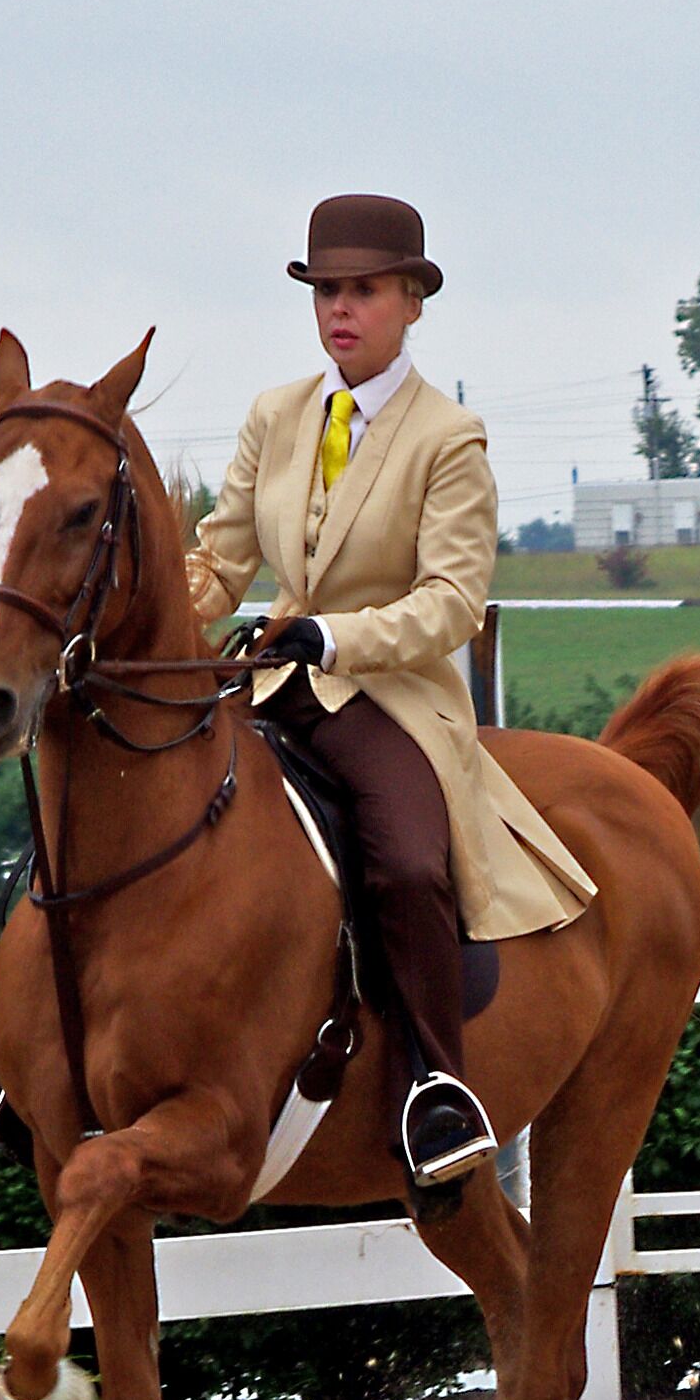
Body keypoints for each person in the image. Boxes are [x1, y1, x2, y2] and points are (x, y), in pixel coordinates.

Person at [180, 194, 597, 1187]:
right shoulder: (275, 416)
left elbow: (452, 603)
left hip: (392, 697)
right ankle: (24, 1062)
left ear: (412, 300)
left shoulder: (450, 438)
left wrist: (336, 634)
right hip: (274, 682)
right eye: (327, 290)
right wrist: (132, 618)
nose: (340, 309)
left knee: (407, 864)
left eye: (363, 290)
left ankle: (436, 1086)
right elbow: (218, 562)